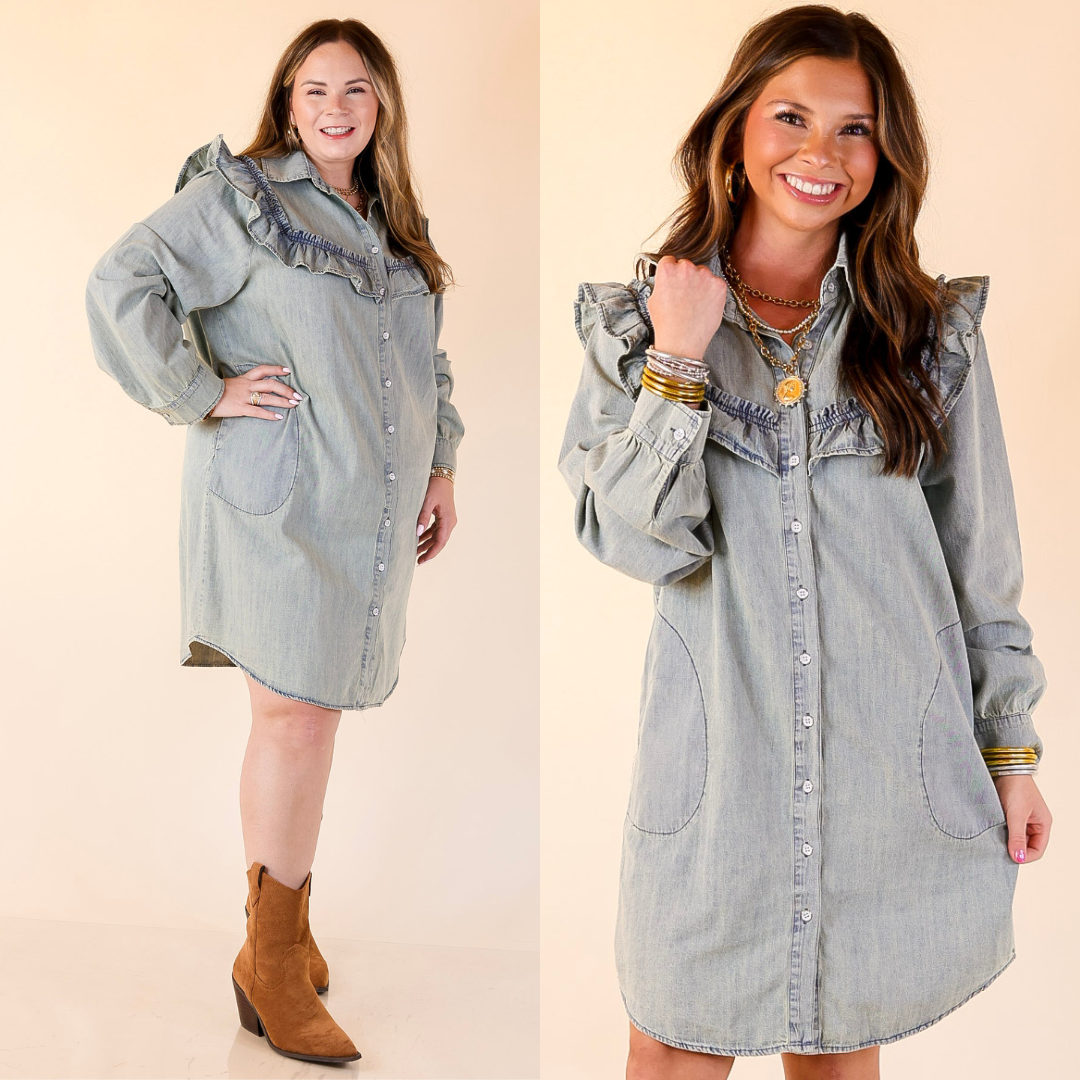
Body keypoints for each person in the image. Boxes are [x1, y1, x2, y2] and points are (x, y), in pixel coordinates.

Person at [558, 6, 1051, 1078]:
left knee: (836, 1050)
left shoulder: (927, 339)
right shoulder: (640, 327)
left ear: (888, 153)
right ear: (737, 127)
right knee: (674, 1042)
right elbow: (632, 541)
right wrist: (681, 364)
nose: (820, 154)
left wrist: (1010, 752)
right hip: (715, 778)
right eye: (791, 116)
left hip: (886, 775)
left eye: (855, 129)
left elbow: (982, 565)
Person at [85, 18, 463, 1065]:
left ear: (382, 103)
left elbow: (427, 364)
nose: (335, 108)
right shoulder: (243, 198)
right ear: (286, 104)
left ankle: (281, 926)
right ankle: (273, 956)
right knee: (294, 719)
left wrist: (442, 463)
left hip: (367, 506)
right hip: (279, 502)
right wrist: (200, 394)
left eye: (355, 89)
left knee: (317, 718)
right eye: (313, 90)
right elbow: (121, 285)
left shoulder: (391, 222)